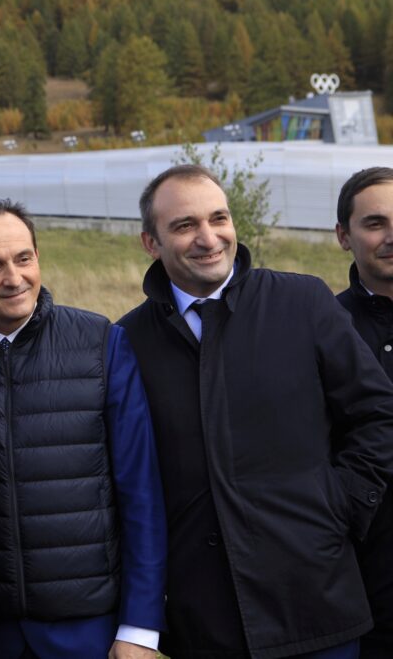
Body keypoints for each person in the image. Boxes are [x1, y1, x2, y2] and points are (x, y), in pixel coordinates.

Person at [118, 164, 393, 658]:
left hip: (317, 603)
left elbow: (378, 414)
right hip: (203, 621)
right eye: (184, 226)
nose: (209, 238)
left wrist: (340, 507)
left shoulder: (301, 302)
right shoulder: (128, 341)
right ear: (151, 243)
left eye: (218, 218)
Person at [0, 201, 166, 659]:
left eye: (23, 259)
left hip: (88, 629)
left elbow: (142, 492)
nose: (14, 278)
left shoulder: (101, 344)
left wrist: (140, 627)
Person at [335, 166, 393, 658]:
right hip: (361, 586)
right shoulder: (321, 328)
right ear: (343, 236)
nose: (391, 236)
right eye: (375, 224)